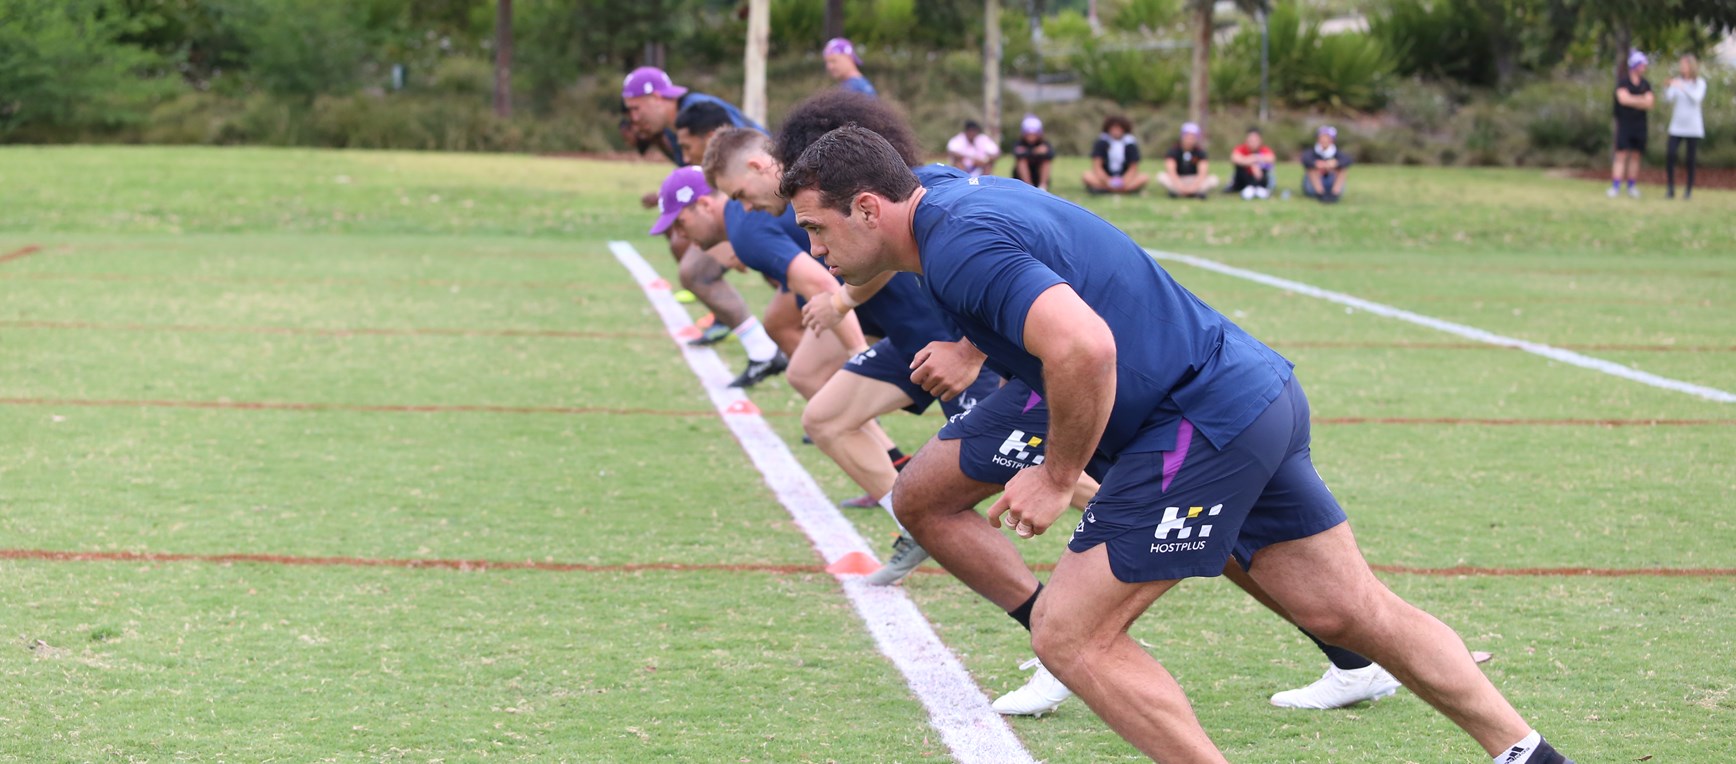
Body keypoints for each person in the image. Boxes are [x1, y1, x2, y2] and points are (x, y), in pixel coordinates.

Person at [781, 125, 1577, 764]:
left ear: (870, 208)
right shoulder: (944, 197)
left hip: (1198, 421)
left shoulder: (958, 250)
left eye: (817, 228)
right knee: (1345, 608)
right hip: (1252, 391)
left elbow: (1084, 348)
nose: (814, 252)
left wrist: (1057, 475)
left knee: (1067, 632)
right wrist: (968, 344)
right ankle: (1529, 754)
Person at [623, 67, 764, 347]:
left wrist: (737, 232)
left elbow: (743, 156)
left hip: (763, 205)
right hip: (745, 205)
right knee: (689, 260)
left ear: (657, 98)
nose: (633, 118)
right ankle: (747, 335)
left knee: (785, 292)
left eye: (636, 109)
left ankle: (768, 348)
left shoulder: (698, 114)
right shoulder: (677, 126)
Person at [1611, 50, 1654, 199]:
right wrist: (1641, 100)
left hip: (1640, 125)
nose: (1644, 67)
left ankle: (1631, 186)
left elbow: (1650, 103)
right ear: (1635, 65)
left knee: (1636, 156)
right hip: (1625, 124)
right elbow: (1623, 99)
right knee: (1621, 155)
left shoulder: (1645, 84)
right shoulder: (1623, 82)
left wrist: (1632, 99)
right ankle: (1615, 187)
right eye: (1642, 64)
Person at [1664, 54, 1706, 200]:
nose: (1681, 67)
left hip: (1693, 127)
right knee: (1670, 154)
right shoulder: (1677, 81)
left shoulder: (1699, 83)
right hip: (1677, 126)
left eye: (1684, 65)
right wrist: (1668, 86)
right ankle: (1670, 188)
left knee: (1690, 159)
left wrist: (1683, 88)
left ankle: (1688, 190)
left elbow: (1696, 98)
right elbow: (1668, 99)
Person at [1082, 115, 1149, 194]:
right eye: (1113, 128)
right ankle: (1121, 190)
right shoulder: (1102, 142)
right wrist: (1108, 181)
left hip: (1124, 177)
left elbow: (1133, 168)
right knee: (1087, 176)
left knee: (1144, 177)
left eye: (1119, 129)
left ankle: (1105, 190)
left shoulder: (1130, 144)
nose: (1116, 131)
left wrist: (1124, 182)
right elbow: (1097, 166)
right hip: (1105, 177)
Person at [1157, 122, 1220, 199]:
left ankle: (1181, 193)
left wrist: (1193, 187)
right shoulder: (1173, 150)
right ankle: (1193, 193)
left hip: (1194, 179)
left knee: (1213, 180)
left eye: (1193, 137)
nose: (1189, 140)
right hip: (1178, 179)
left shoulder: (1200, 152)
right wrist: (1181, 186)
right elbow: (1171, 171)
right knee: (1161, 177)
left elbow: (1202, 173)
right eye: (1187, 136)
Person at [1300, 126, 1352, 203]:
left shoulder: (1337, 153)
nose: (1324, 140)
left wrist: (1335, 164)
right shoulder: (1311, 152)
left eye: (1327, 138)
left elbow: (1348, 160)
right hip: (1312, 186)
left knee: (1342, 169)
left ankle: (1334, 194)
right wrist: (1317, 164)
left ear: (1332, 140)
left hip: (1330, 181)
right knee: (1312, 169)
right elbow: (1306, 160)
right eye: (1321, 137)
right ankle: (1320, 193)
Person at [1226, 127, 1277, 200]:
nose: (1253, 143)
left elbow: (1271, 158)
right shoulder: (1241, 149)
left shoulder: (1264, 149)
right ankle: (1249, 189)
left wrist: (1256, 160)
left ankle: (1257, 189)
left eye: (1255, 140)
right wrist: (1251, 163)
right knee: (1240, 167)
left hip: (1260, 179)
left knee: (1266, 168)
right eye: (1251, 140)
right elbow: (1234, 158)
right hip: (1243, 179)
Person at [1009, 115, 1054, 191]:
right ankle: (1029, 188)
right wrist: (1035, 151)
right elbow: (1017, 154)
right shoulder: (1019, 143)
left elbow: (1051, 155)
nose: (1031, 137)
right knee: (1022, 161)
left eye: (1034, 134)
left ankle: (1043, 187)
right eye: (1029, 134)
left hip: (1038, 177)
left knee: (1045, 161)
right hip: (1021, 179)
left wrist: (1027, 151)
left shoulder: (1044, 143)